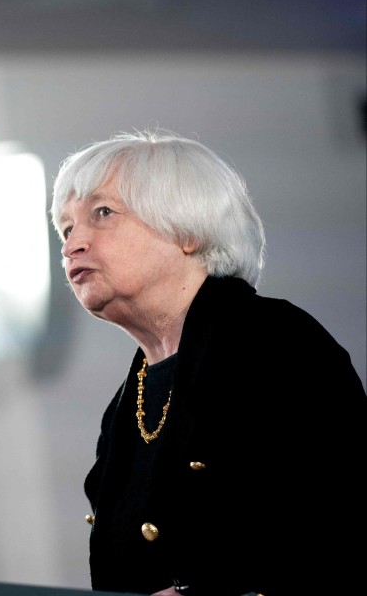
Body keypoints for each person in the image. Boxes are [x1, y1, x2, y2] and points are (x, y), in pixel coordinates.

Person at [49, 130, 366, 595]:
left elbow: (343, 531)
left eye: (102, 213)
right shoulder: (123, 404)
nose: (72, 244)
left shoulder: (275, 341)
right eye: (66, 228)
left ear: (188, 231)